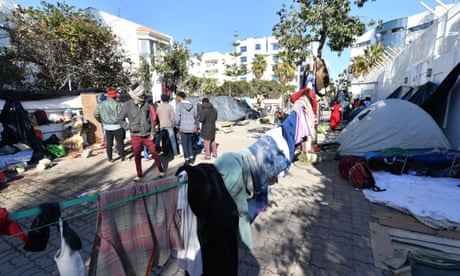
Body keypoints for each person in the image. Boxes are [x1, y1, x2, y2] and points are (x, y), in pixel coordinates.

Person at [117, 84, 165, 181]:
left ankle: (161, 170)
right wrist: (128, 126)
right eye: (141, 96)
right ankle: (139, 174)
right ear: (136, 96)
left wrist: (152, 132)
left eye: (144, 96)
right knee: (137, 155)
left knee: (154, 153)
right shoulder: (127, 105)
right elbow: (120, 119)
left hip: (147, 135)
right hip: (135, 135)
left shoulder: (146, 104)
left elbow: (150, 119)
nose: (143, 98)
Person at [94, 88, 126, 163]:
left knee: (109, 143)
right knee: (120, 142)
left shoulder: (101, 104)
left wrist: (101, 121)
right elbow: (122, 116)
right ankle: (122, 157)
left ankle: (110, 158)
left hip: (107, 127)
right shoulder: (117, 104)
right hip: (117, 126)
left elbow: (96, 114)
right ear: (115, 96)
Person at [175, 91, 197, 165]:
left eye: (177, 97)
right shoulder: (192, 105)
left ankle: (187, 159)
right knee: (190, 144)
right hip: (191, 128)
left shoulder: (179, 106)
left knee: (184, 144)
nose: (176, 98)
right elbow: (195, 115)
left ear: (179, 97)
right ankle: (191, 158)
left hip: (183, 128)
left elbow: (177, 118)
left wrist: (177, 126)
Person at [156, 94, 179, 159]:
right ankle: (175, 154)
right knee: (173, 140)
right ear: (167, 99)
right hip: (169, 125)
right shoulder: (170, 107)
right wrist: (174, 125)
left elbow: (157, 117)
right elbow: (173, 118)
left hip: (162, 126)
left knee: (163, 141)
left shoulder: (158, 108)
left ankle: (165, 154)